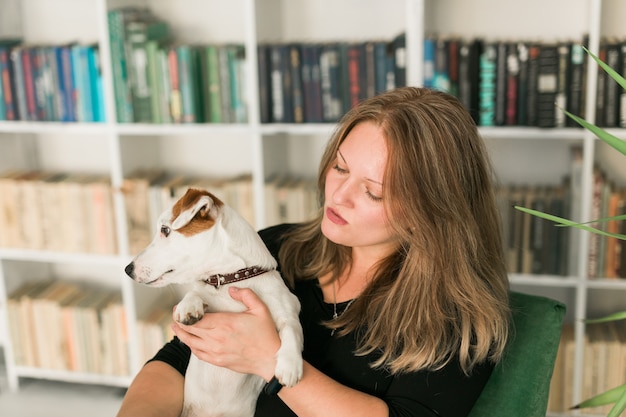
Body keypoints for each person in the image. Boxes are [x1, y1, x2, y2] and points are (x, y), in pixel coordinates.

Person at [116, 86, 511, 417]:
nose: (337, 195)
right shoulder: (272, 252)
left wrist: (269, 358)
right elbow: (179, 359)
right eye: (339, 168)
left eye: (373, 191)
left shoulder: (459, 322)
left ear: (432, 210)